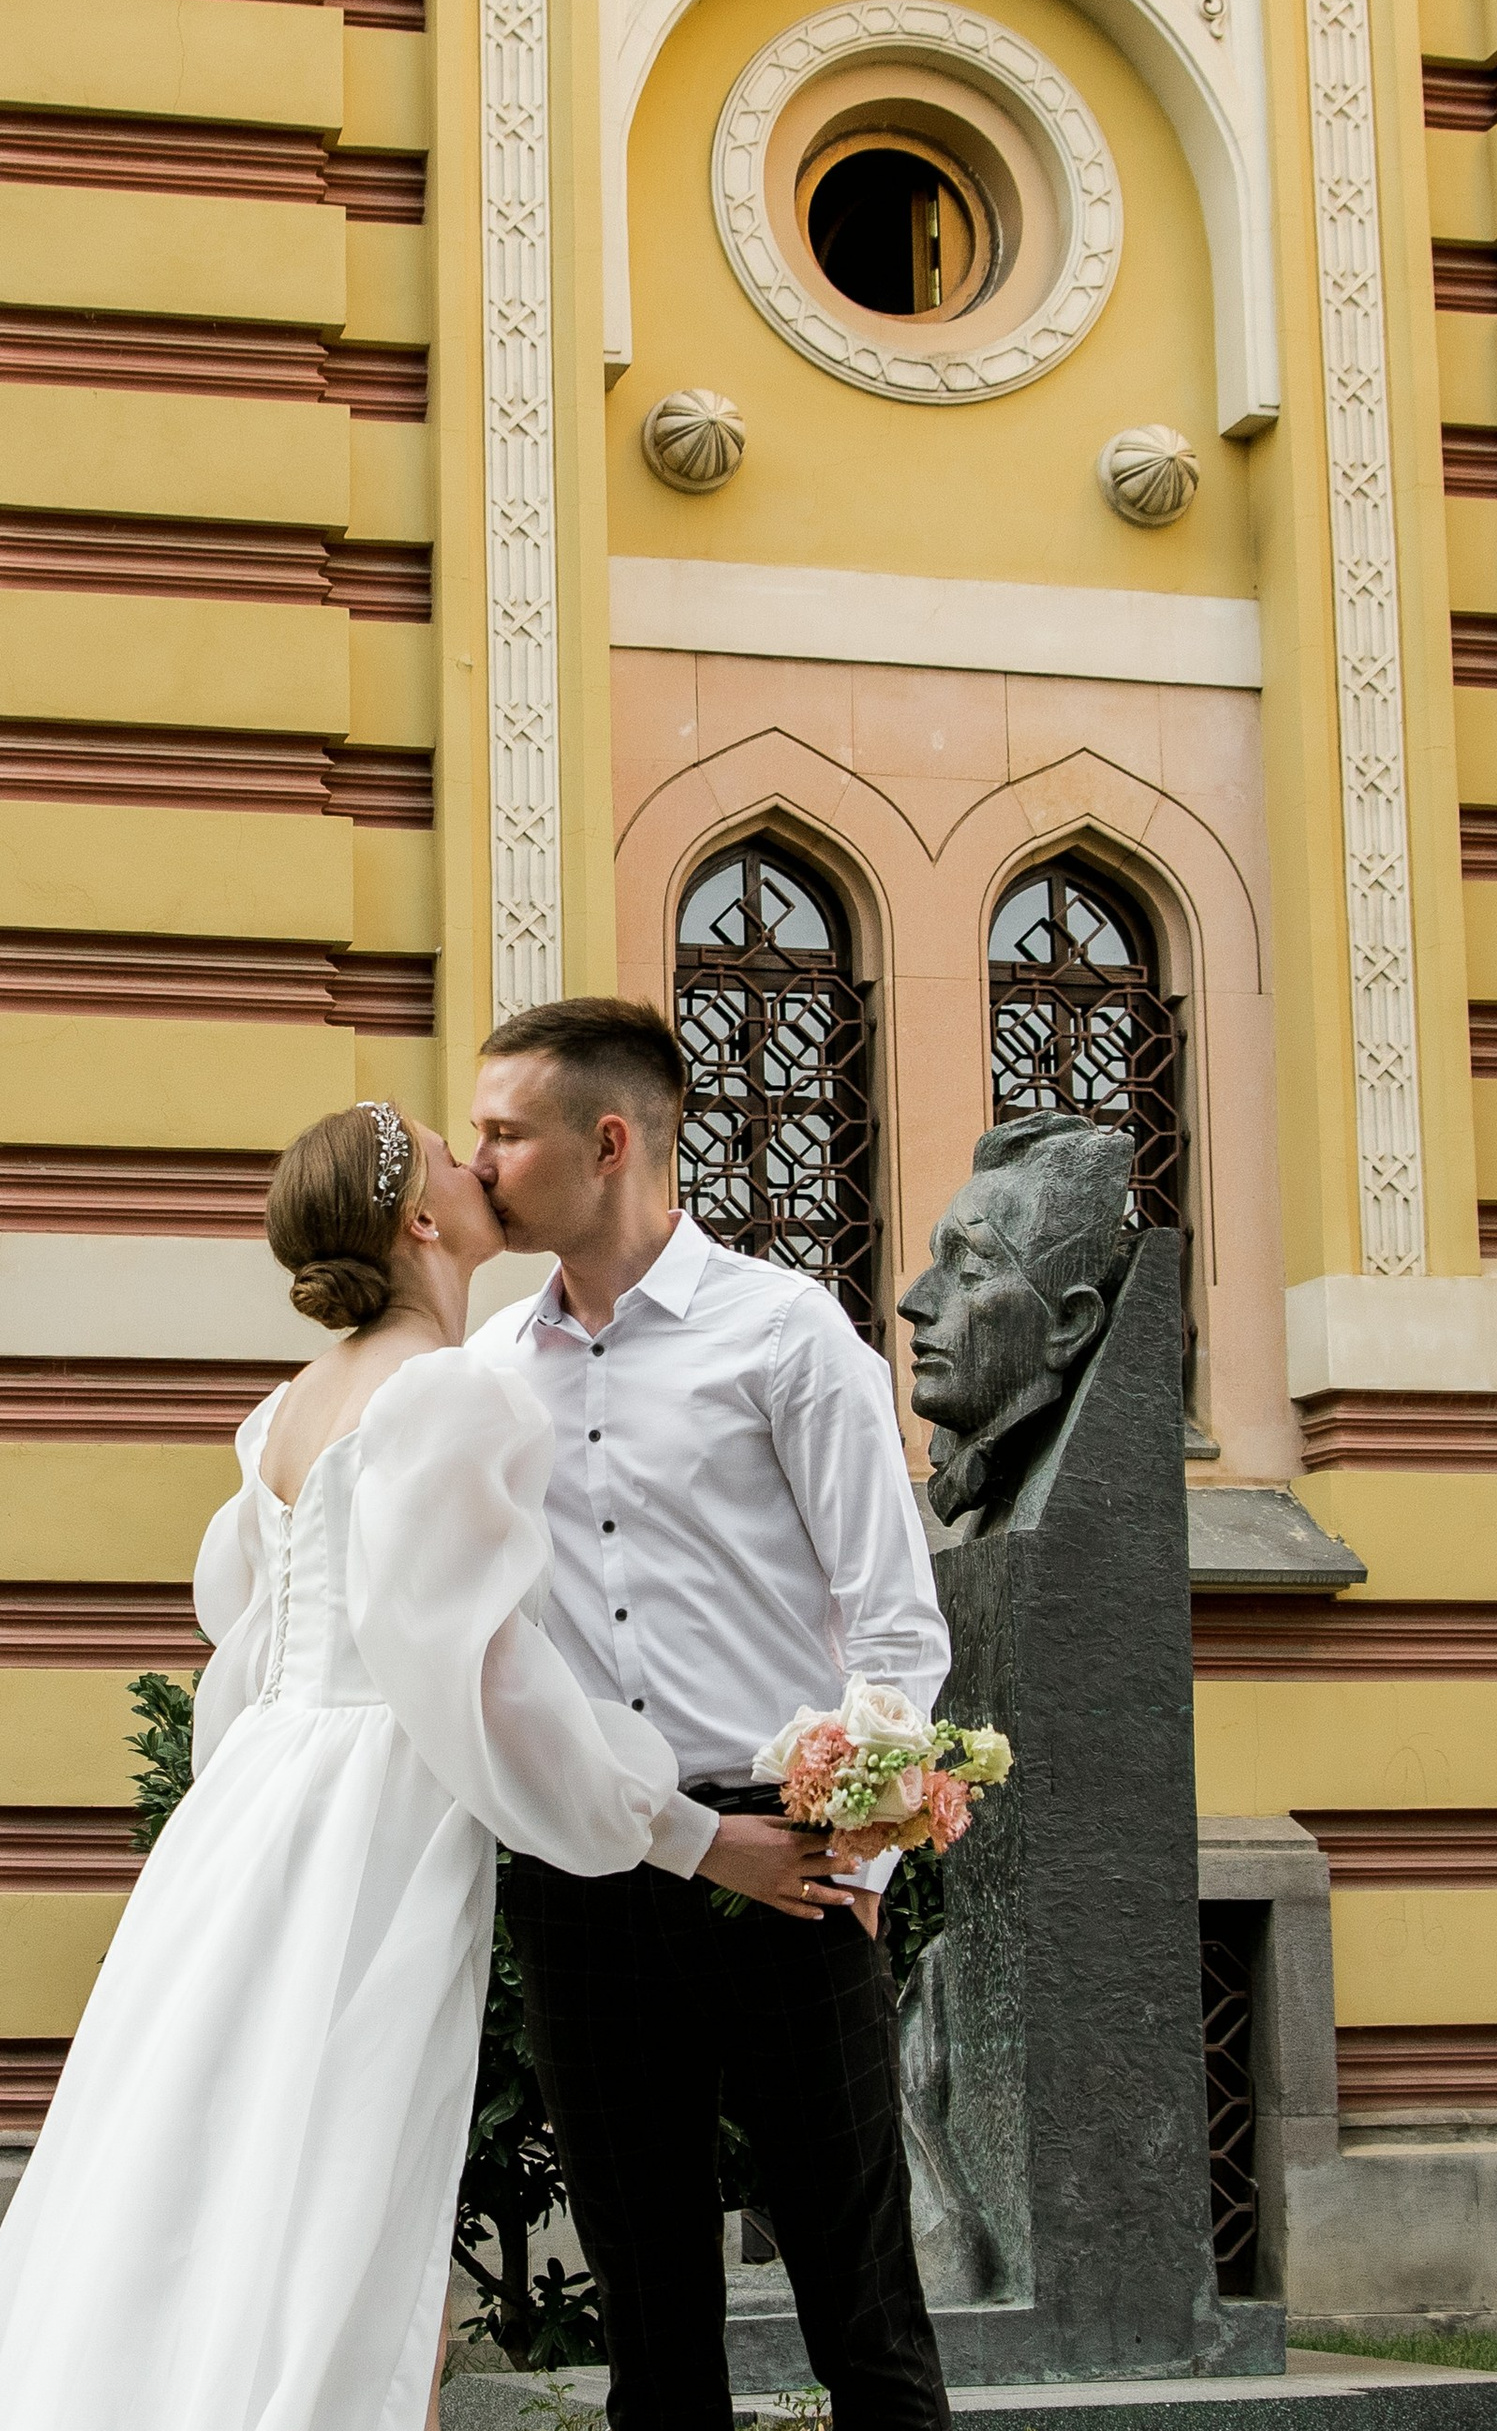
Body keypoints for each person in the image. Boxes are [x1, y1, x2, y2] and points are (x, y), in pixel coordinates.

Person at [0, 1098, 788, 2431]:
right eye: (452, 1150)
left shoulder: (285, 1411)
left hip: (253, 1819)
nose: (479, 1156)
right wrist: (692, 1831)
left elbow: (252, 1662)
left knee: (220, 2180)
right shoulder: (448, 1394)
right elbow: (487, 1684)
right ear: (420, 1220)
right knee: (349, 2195)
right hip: (375, 1825)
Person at [468, 997, 955, 2431]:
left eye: (504, 1131)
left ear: (607, 1142)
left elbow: (894, 1619)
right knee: (653, 2325)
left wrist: (860, 1858)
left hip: (788, 1866)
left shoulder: (788, 1336)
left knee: (859, 2306)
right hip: (592, 1866)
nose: (476, 1157)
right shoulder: (492, 1374)